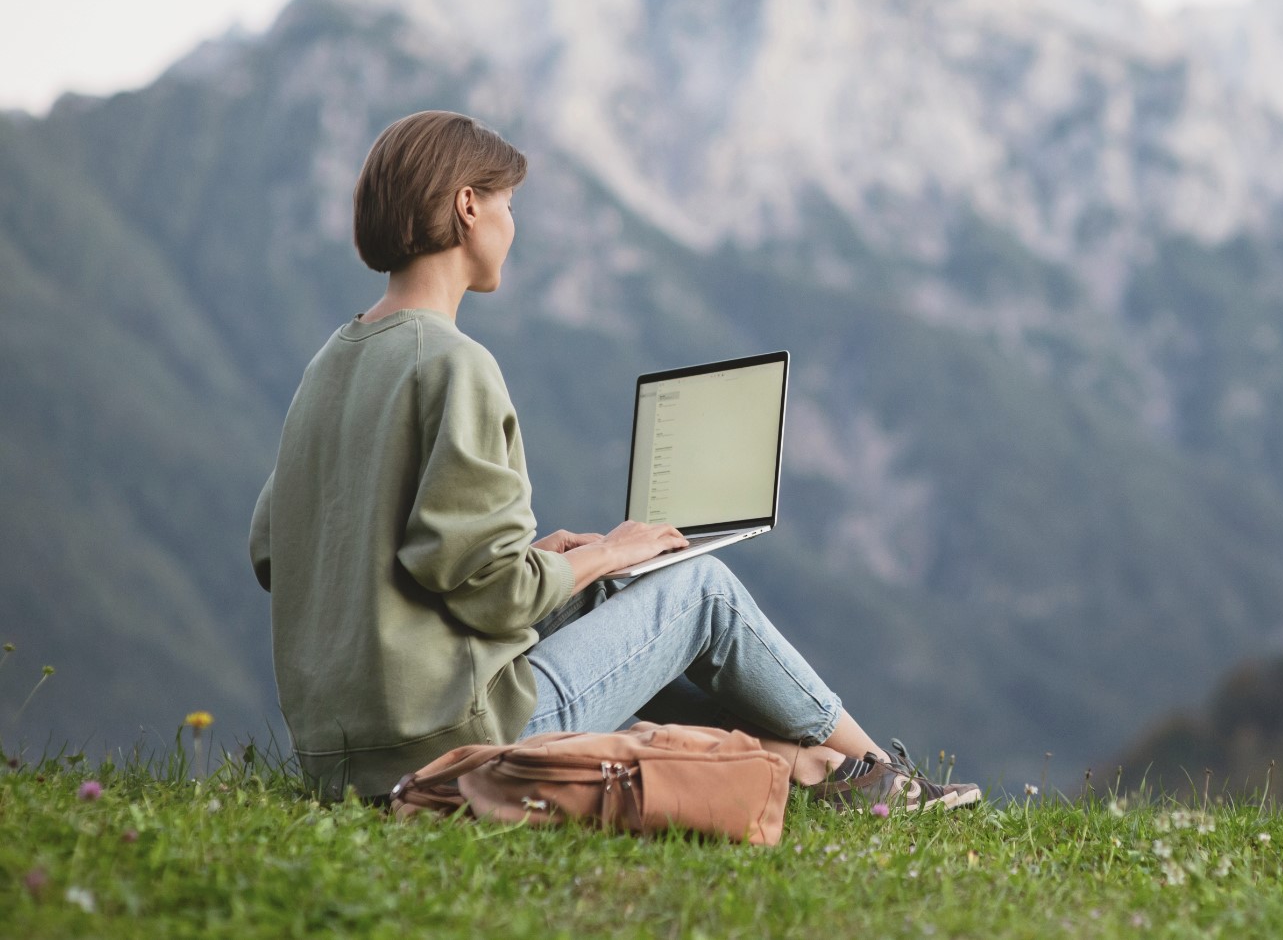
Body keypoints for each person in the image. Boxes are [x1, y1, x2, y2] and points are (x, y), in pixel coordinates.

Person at [248, 109, 977, 812]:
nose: (513, 224)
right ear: (468, 207)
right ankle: (887, 779)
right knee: (701, 591)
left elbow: (276, 552)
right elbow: (489, 593)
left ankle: (817, 769)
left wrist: (562, 565)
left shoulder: (330, 363)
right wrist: (608, 552)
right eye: (507, 202)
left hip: (340, 757)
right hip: (454, 742)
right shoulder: (451, 364)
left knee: (605, 594)